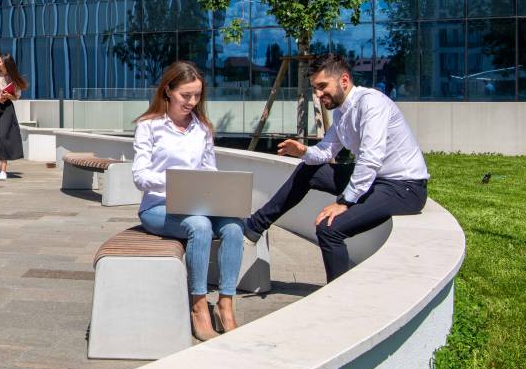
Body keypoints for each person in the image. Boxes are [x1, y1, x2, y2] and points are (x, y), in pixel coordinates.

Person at [243, 53, 429, 283]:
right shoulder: (342, 112)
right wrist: (303, 152)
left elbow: (371, 159)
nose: (319, 95)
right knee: (309, 169)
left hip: (404, 188)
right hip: (377, 181)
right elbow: (325, 153)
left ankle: (338, 296)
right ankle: (254, 226)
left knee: (329, 228)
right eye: (315, 88)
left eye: (322, 86)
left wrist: (344, 202)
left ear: (344, 80)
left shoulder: (372, 103)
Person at [131, 61, 243, 341]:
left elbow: (209, 170)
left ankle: (225, 304)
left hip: (197, 202)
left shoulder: (202, 128)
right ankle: (198, 305)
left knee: (234, 227)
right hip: (157, 207)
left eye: (197, 96)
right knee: (201, 226)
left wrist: (219, 193)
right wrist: (175, 183)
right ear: (168, 91)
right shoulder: (149, 126)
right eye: (186, 95)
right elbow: (140, 176)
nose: (192, 102)